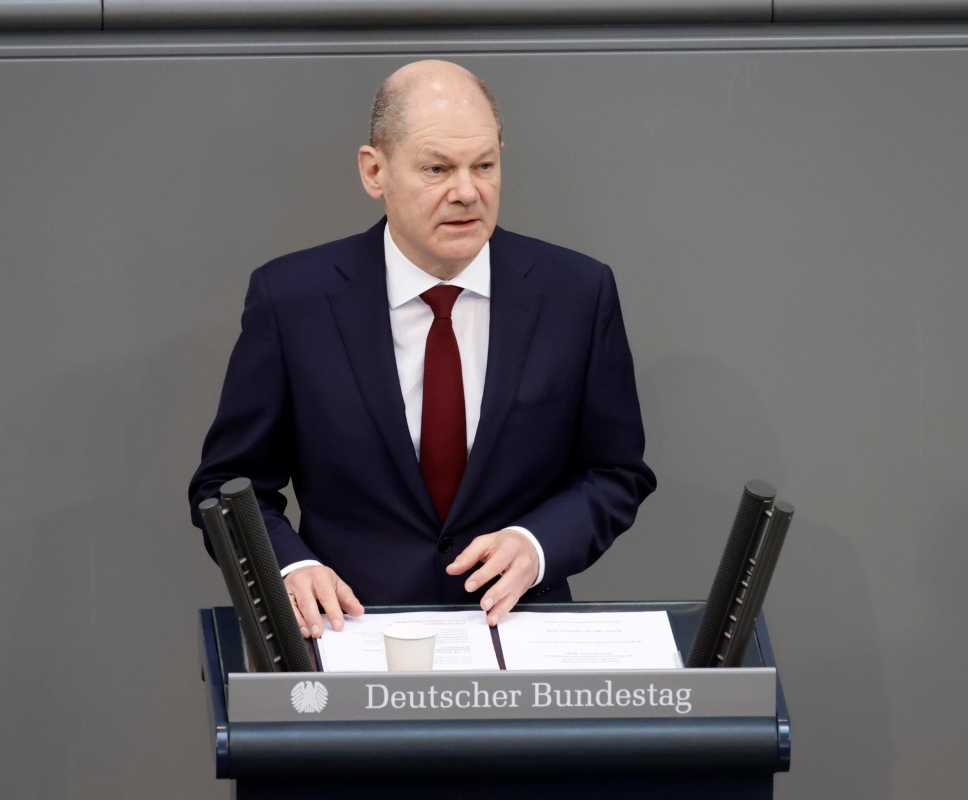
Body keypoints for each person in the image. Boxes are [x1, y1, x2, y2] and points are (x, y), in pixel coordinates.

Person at [188, 59, 654, 639]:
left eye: (484, 165)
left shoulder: (577, 293)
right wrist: (291, 566)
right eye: (437, 168)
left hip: (517, 640)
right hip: (351, 639)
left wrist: (537, 545)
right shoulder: (292, 300)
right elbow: (228, 487)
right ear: (374, 171)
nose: (467, 191)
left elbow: (616, 472)